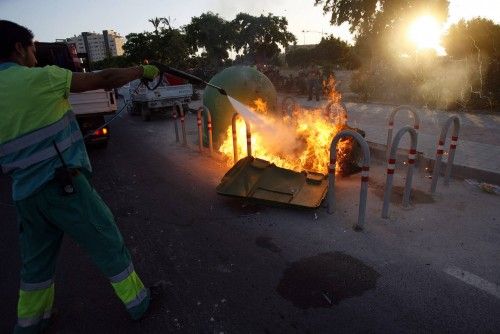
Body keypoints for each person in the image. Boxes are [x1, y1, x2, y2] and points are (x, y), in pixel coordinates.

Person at [0, 20, 161, 333]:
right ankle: (139, 302)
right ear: (19, 48)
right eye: (32, 47)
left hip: (25, 194)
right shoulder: (43, 78)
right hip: (63, 186)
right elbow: (105, 78)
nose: (35, 53)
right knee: (106, 239)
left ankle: (31, 323)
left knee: (36, 263)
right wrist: (143, 70)